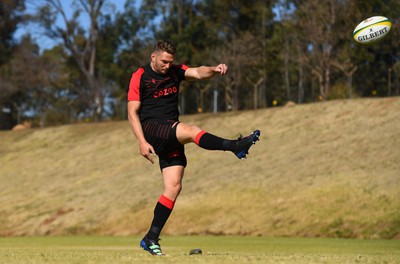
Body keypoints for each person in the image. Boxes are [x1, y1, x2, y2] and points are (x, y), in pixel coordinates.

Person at [127, 40, 260, 256]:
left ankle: (150, 237)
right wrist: (141, 142)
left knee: (173, 187)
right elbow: (132, 112)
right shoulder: (140, 76)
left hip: (171, 133)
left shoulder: (175, 71)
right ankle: (235, 146)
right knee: (191, 130)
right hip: (153, 128)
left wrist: (215, 70)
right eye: (163, 61)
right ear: (153, 57)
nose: (167, 66)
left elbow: (199, 72)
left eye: (171, 62)